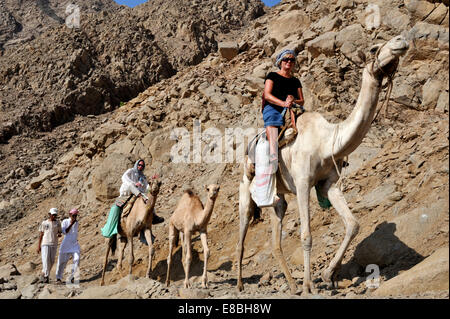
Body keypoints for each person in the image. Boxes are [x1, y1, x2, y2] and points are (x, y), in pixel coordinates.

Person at [263, 49, 305, 170]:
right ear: (280, 62)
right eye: (286, 59)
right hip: (273, 107)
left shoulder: (295, 81)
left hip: (292, 108)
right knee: (273, 120)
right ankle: (272, 155)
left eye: (292, 60)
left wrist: (293, 100)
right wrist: (282, 103)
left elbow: (301, 101)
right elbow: (267, 95)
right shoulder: (272, 76)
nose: (289, 61)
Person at [118, 159, 164, 224]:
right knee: (131, 186)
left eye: (142, 166)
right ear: (136, 164)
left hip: (137, 192)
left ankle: (154, 216)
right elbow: (124, 177)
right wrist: (134, 183)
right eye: (139, 165)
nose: (140, 167)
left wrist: (152, 181)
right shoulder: (131, 171)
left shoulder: (142, 177)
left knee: (149, 200)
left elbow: (146, 187)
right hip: (128, 190)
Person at [55, 208, 81, 284]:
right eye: (73, 215)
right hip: (66, 244)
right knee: (61, 261)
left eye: (76, 215)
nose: (75, 217)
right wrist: (71, 223)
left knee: (77, 259)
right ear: (70, 215)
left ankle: (73, 277)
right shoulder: (65, 221)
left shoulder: (77, 223)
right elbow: (65, 232)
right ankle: (58, 277)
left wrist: (74, 222)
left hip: (74, 244)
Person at [37, 208, 62, 283]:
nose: (54, 216)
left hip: (54, 244)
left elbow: (59, 232)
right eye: (52, 215)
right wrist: (39, 246)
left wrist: (59, 234)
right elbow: (41, 234)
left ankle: (43, 273)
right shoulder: (44, 223)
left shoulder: (58, 223)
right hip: (45, 243)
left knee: (51, 261)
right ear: (49, 214)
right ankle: (46, 276)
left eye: (55, 215)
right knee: (45, 260)